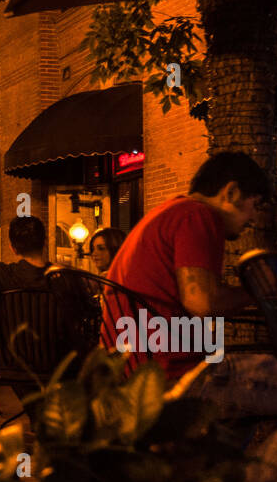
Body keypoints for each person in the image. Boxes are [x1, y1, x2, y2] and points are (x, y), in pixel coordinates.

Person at [103, 150, 266, 381]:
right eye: (255, 205)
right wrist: (260, 289)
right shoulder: (197, 216)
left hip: (128, 368)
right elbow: (202, 302)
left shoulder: (168, 212)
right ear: (231, 192)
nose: (254, 218)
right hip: (168, 375)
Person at [0, 216, 94, 398]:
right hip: (62, 367)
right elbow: (87, 318)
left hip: (16, 368)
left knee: (42, 413)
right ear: (44, 242)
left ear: (13, 247)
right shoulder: (66, 277)